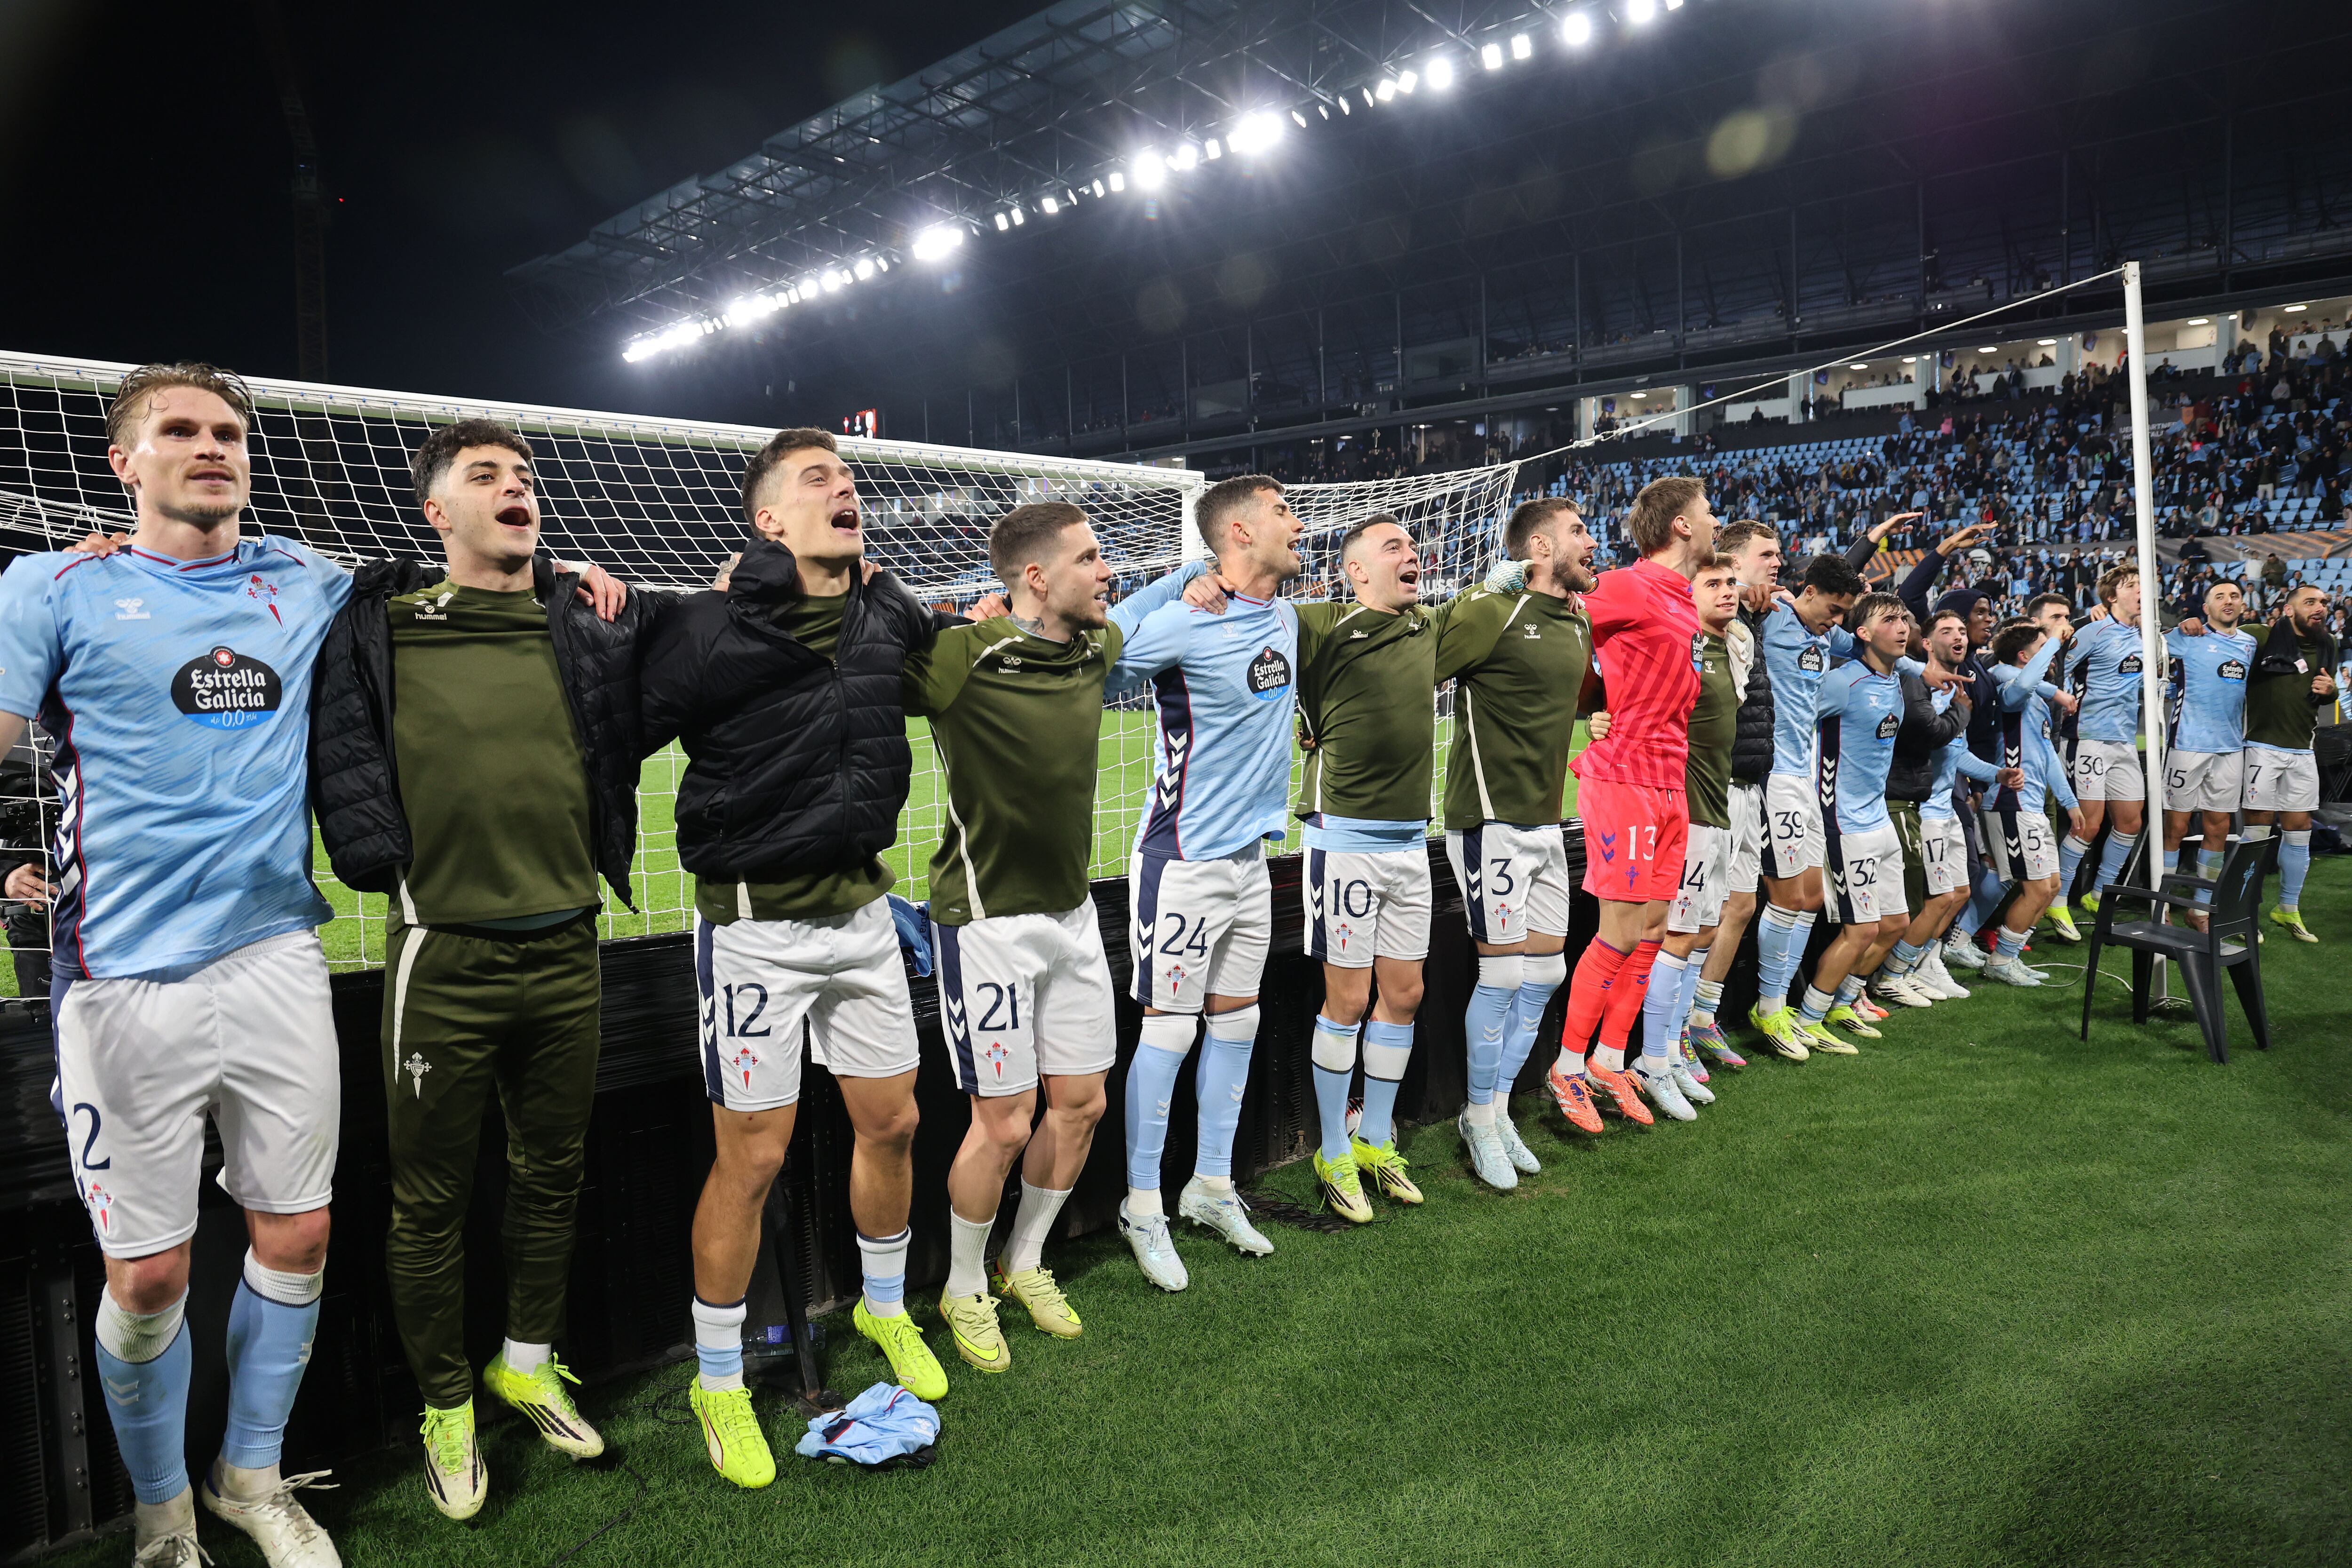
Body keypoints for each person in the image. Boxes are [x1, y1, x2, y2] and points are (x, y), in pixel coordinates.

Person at [0, 363, 353, 1568]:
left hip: (275, 959)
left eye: (229, 434)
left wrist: (586, 578)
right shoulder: (51, 586)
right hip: (119, 979)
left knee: (296, 1240)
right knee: (148, 1276)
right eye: (182, 433)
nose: (213, 449)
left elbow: (454, 595)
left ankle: (248, 1479)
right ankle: (160, 1513)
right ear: (124, 462)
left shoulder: (306, 580)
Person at [306, 419, 660, 1518]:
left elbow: (704, 645)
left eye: (524, 476)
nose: (516, 488)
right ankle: (448, 1407)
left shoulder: (586, 619)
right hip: (442, 959)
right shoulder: (384, 622)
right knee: (430, 1202)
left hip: (569, 948)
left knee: (552, 1174)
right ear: (436, 513)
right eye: (485, 477)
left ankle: (525, 1357)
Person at [640, 426, 965, 1483]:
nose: (847, 490)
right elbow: (623, 706)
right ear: (767, 519)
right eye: (819, 479)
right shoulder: (712, 621)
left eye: (850, 479)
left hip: (865, 916)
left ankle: (881, 1313)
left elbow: (946, 654)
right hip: (752, 931)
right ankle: (720, 1379)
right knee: (755, 1156)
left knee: (896, 1120)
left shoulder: (886, 607)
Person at [903, 501, 1198, 1363]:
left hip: (1073, 917)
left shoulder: (1095, 648)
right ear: (1037, 577)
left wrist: (1195, 574)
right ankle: (960, 1289)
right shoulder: (962, 655)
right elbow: (865, 658)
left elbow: (1137, 612)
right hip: (985, 923)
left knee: (1082, 1103)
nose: (1107, 571)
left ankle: (1021, 1260)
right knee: (1000, 1123)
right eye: (1092, 557)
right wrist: (955, 615)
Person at [1109, 475, 1304, 1286]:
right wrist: (1170, 582)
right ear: (1236, 531)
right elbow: (1101, 653)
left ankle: (1211, 1185)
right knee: (1170, 1030)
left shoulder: (1288, 614)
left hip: (1249, 863)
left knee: (1238, 1025)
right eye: (1283, 512)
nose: (1299, 523)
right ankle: (1141, 1204)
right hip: (1180, 861)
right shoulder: (1187, 619)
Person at [1287, 515, 1440, 1222]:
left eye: (1412, 547)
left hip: (1411, 843)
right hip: (1342, 839)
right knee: (1347, 1001)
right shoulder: (1319, 625)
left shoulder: (1430, 628)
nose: (1411, 555)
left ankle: (1376, 1137)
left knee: (1403, 996)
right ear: (1355, 571)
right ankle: (1331, 1149)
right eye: (1393, 548)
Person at [1438, 498, 1596, 1186]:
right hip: (1490, 819)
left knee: (1546, 973)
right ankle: (1475, 1116)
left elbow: (1574, 701)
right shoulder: (1494, 609)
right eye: (1579, 532)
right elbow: (1419, 662)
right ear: (1540, 545)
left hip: (1545, 821)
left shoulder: (1576, 620)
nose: (1592, 542)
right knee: (1501, 975)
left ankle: (1499, 1107)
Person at [1553, 477, 1713, 1117]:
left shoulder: (1682, 601)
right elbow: (1563, 626)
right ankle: (1566, 1066)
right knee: (1619, 931)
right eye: (1706, 514)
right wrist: (1588, 707)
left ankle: (1609, 1060)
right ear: (1680, 525)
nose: (1712, 522)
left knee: (1652, 931)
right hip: (1624, 779)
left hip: (1671, 782)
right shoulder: (1626, 584)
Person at [1747, 552, 1869, 1057]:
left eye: (1844, 613)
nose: (1837, 622)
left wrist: (1923, 670)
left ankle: (1784, 1007)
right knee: (1786, 897)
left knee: (1812, 898)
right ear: (1808, 590)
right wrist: (1752, 588)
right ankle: (1768, 1007)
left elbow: (1871, 635)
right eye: (1833, 609)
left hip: (1807, 777)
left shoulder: (1828, 634)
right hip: (1775, 776)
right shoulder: (1770, 615)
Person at [1640, 550, 1744, 1116]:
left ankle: (1673, 1051)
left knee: (1699, 936)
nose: (1727, 590)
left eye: (1731, 582)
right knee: (1675, 941)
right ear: (1687, 592)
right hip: (1687, 813)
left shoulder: (1727, 646)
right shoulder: (1682, 647)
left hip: (1717, 812)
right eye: (1713, 583)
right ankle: (1652, 1060)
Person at [1792, 593, 1915, 1047]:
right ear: (1862, 633)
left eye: (1903, 618)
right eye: (1890, 620)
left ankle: (1844, 1001)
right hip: (1843, 821)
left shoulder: (1897, 677)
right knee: (1861, 928)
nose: (1902, 626)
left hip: (1879, 818)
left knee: (1896, 923)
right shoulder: (1843, 681)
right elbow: (1795, 723)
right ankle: (1809, 1019)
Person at [1876, 609, 2010, 1003]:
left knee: (1957, 893)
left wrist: (1997, 773)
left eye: (1961, 631)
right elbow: (1935, 738)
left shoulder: (1955, 690)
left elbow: (1958, 752)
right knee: (1937, 897)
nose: (1960, 636)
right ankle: (1894, 973)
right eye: (1947, 630)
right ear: (1926, 642)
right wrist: (1959, 711)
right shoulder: (1917, 686)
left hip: (1946, 810)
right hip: (1924, 810)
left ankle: (1921, 963)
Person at [1685, 522, 1781, 1068]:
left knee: (1739, 905)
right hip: (1712, 784)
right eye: (1765, 555)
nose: (1775, 564)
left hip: (1750, 782)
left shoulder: (1749, 626)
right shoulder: (1705, 623)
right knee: (1696, 915)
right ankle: (1671, 1031)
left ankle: (1702, 1017)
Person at [1983, 618, 2089, 986]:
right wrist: (2054, 644)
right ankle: (1999, 961)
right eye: (2045, 650)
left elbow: (2046, 755)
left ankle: (2008, 956)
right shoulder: (2006, 684)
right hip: (2010, 800)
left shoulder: (2036, 699)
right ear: (2026, 655)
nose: (2054, 657)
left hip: (2031, 802)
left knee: (2053, 884)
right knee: (2037, 888)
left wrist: (2070, 802)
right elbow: (2017, 681)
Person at [2048, 565, 2151, 939]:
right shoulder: (2093, 631)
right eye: (2131, 585)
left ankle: (2100, 893)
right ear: (2112, 597)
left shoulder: (2147, 635)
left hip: (2124, 740)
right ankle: (2057, 900)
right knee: (2087, 824)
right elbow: (2057, 669)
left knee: (2131, 822)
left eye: (2142, 584)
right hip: (2087, 736)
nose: (2140, 590)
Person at [2237, 583, 2339, 939]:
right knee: (2258, 831)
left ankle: (2287, 909)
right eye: (2310, 601)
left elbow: (2328, 688)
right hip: (2261, 746)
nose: (2320, 607)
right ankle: (2242, 911)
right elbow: (2224, 630)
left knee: (2300, 831)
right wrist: (2192, 623)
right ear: (2289, 610)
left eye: (2324, 602)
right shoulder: (2262, 637)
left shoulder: (2329, 644)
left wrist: (2333, 693)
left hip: (2303, 749)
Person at [2161, 581, 2256, 922]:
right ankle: (2164, 902)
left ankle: (2199, 908)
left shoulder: (2249, 643)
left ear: (2243, 605)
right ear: (2207, 607)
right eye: (2220, 597)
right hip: (2188, 743)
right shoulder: (2189, 636)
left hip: (2231, 748)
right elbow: (2150, 643)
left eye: (2234, 596)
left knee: (2219, 827)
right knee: (2176, 826)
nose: (2228, 601)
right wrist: (2179, 624)